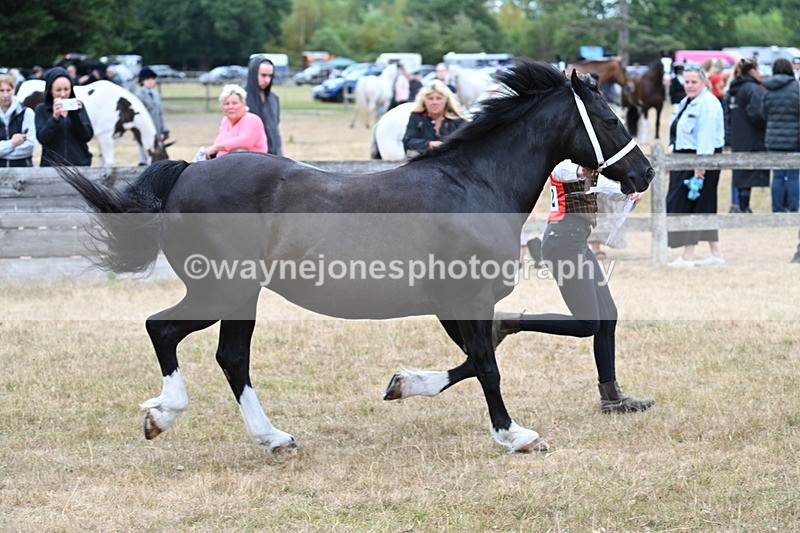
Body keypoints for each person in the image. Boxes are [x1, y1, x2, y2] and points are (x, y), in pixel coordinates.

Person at [494, 161, 655, 414]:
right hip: (563, 243)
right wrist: (582, 171)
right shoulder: (566, 163)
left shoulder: (586, 164)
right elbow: (561, 171)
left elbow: (603, 186)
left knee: (608, 315)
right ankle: (507, 322)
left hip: (576, 241)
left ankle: (612, 398)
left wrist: (628, 191)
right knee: (588, 324)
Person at [667, 66, 725, 267]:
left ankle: (687, 256)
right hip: (683, 158)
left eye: (694, 82)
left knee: (693, 206)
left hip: (700, 159)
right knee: (705, 206)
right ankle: (716, 254)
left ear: (704, 82)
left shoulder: (708, 104)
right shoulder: (687, 101)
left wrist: (700, 165)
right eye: (687, 82)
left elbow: (706, 137)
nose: (689, 86)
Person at [725, 58, 768, 214]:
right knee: (747, 174)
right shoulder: (752, 89)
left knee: (739, 173)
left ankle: (735, 204)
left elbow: (727, 115)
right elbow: (757, 114)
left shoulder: (732, 89)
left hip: (737, 135)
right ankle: (743, 206)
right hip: (751, 135)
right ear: (752, 71)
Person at [34, 66, 94, 166]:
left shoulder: (79, 107)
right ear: (50, 90)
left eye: (66, 89)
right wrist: (54, 118)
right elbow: (42, 139)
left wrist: (75, 115)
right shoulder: (41, 109)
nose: (63, 94)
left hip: (79, 165)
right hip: (52, 166)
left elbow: (87, 136)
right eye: (58, 90)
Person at [761, 58, 800, 213]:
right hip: (794, 137)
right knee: (793, 176)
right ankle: (793, 208)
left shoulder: (768, 88)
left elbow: (763, 113)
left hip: (773, 137)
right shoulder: (796, 87)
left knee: (777, 176)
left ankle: (777, 209)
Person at [402, 79, 466, 156]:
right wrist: (429, 144)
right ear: (424, 101)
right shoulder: (416, 117)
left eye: (439, 98)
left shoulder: (457, 119)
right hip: (423, 160)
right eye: (430, 98)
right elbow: (408, 141)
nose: (434, 102)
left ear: (446, 100)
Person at [203, 84, 267, 159]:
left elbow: (245, 141)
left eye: (235, 103)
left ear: (244, 104)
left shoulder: (252, 119)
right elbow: (218, 142)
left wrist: (216, 147)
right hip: (224, 163)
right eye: (226, 104)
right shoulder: (225, 120)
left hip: (251, 163)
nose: (230, 107)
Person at [244, 55, 284, 156]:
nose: (267, 80)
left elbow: (277, 128)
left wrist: (283, 154)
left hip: (274, 156)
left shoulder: (273, 98)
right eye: (263, 75)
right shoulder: (241, 98)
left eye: (270, 76)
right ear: (253, 74)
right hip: (251, 157)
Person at [0, 73, 38, 167]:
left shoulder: (27, 113)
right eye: (1, 91)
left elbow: (30, 146)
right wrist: (12, 143)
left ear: (14, 89)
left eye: (8, 90)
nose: (5, 95)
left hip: (23, 168)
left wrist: (2, 152)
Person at [137, 67, 169, 142]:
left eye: (153, 79)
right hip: (144, 131)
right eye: (148, 79)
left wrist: (164, 129)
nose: (151, 81)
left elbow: (160, 114)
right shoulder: (138, 96)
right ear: (142, 81)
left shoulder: (156, 95)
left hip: (157, 130)